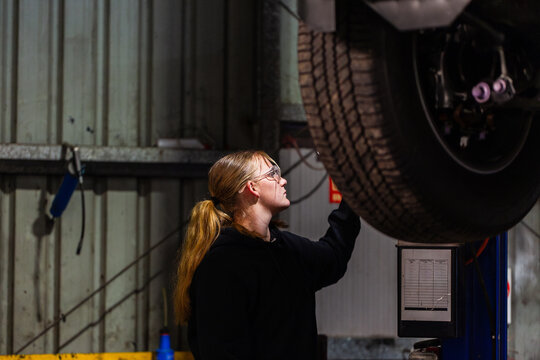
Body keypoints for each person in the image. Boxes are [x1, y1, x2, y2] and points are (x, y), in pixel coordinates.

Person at [173, 150, 360, 360]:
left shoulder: (285, 249)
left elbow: (333, 257)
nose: (283, 181)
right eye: (273, 173)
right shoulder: (221, 264)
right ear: (252, 188)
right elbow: (219, 350)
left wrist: (354, 191)